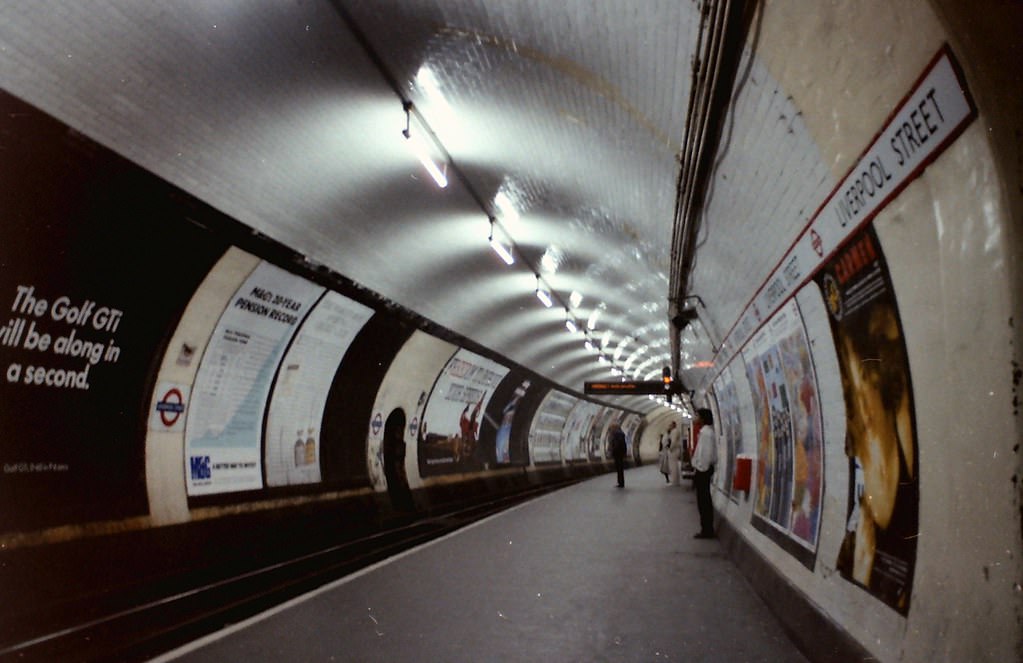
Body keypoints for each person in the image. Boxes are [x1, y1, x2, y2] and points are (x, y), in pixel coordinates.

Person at [692, 408, 717, 538]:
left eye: (696, 415)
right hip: (703, 470)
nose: (694, 417)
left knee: (704, 501)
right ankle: (706, 528)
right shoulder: (705, 432)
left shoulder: (706, 433)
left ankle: (707, 530)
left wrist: (701, 468)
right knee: (703, 500)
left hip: (703, 471)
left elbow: (706, 454)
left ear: (702, 418)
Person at [609, 422, 627, 488]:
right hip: (620, 453)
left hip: (618, 454)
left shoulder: (617, 434)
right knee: (620, 469)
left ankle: (621, 483)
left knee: (619, 469)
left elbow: (617, 444)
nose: (610, 429)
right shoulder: (620, 433)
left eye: (611, 427)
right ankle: (620, 482)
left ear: (614, 427)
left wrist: (613, 450)